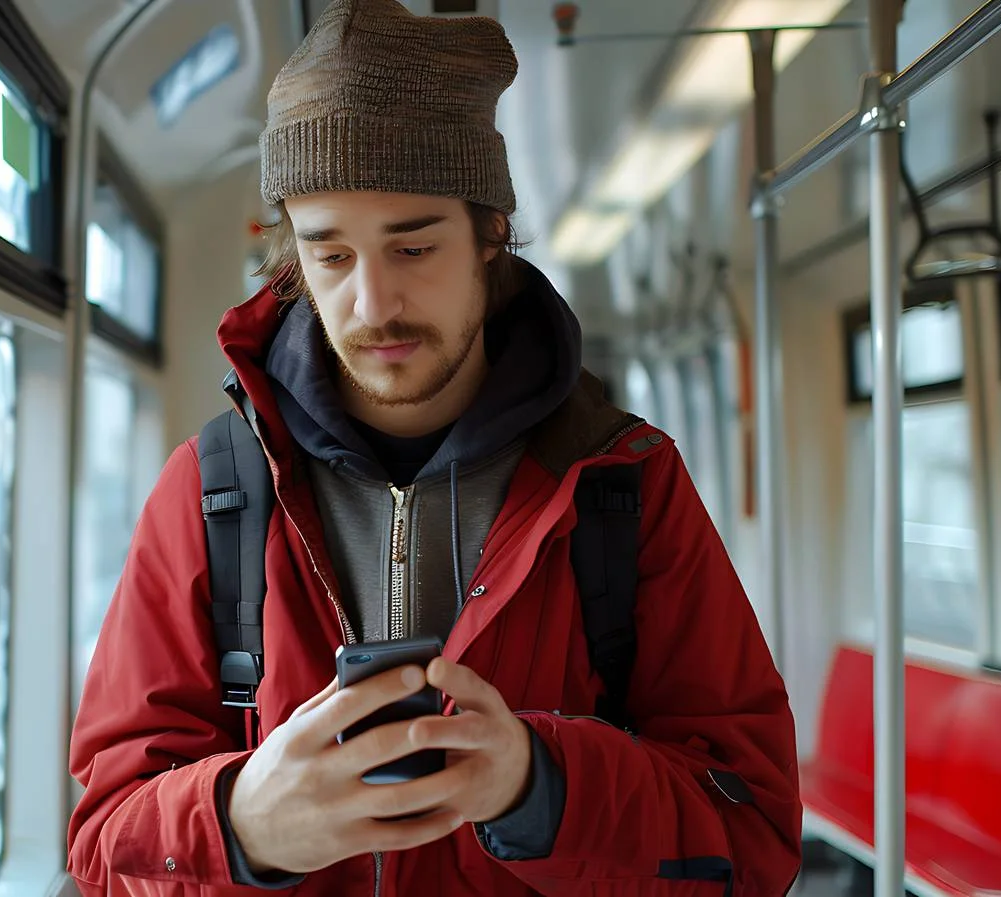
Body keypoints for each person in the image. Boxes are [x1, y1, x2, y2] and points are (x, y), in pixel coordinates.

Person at [66, 0, 801, 894]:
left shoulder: (623, 483)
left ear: (491, 233)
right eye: (331, 256)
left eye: (413, 247)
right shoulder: (211, 491)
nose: (373, 305)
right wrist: (238, 822)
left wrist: (541, 787)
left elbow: (753, 835)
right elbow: (102, 840)